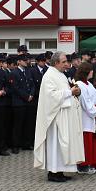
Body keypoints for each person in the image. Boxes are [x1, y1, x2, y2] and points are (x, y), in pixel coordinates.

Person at [33, 51, 85, 182]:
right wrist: (69, 92)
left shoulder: (61, 75)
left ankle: (60, 171)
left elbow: (65, 92)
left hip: (64, 116)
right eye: (64, 62)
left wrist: (75, 92)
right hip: (55, 118)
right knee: (56, 146)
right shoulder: (49, 76)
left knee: (63, 146)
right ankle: (53, 172)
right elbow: (51, 96)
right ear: (56, 63)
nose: (67, 64)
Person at [75, 62, 96, 174]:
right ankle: (82, 166)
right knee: (84, 144)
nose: (92, 72)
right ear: (86, 72)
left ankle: (89, 163)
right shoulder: (79, 85)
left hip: (91, 117)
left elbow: (95, 99)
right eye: (91, 70)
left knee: (89, 143)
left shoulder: (89, 84)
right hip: (84, 117)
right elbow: (85, 103)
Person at [9, 53, 35, 154]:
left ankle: (26, 144)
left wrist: (31, 94)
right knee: (17, 125)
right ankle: (15, 145)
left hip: (28, 102)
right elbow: (16, 88)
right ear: (19, 62)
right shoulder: (14, 73)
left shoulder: (28, 71)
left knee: (28, 124)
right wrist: (26, 96)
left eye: (26, 60)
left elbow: (32, 84)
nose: (26, 62)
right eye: (24, 60)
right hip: (19, 103)